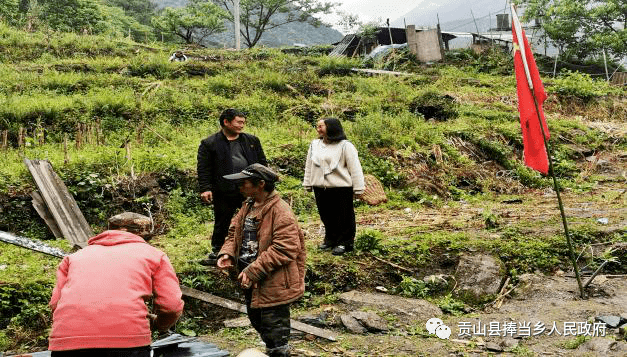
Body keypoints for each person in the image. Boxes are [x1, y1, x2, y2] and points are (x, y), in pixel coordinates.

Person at [48, 212, 184, 356]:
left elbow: (55, 304)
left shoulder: (74, 257)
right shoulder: (154, 255)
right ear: (144, 236)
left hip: (67, 343)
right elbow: (171, 306)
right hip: (127, 343)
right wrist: (160, 324)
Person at [216, 164, 306, 357]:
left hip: (273, 280)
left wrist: (253, 270)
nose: (239, 187)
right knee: (257, 321)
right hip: (250, 279)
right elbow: (234, 233)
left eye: (243, 183)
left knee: (275, 331)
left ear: (261, 184)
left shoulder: (281, 211)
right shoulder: (248, 206)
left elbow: (285, 248)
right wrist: (227, 254)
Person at [197, 108, 267, 265]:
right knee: (222, 220)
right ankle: (219, 251)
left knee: (254, 218)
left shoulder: (251, 141)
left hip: (250, 188)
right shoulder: (210, 143)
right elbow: (204, 168)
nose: (242, 125)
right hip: (224, 189)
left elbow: (262, 163)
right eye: (238, 122)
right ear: (226, 122)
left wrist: (263, 182)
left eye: (243, 122)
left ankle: (255, 249)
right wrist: (205, 187)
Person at [303, 118, 365, 256]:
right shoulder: (314, 145)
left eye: (321, 126)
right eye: (317, 126)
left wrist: (359, 188)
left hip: (341, 188)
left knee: (344, 216)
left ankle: (345, 242)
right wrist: (307, 182)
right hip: (320, 188)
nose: (318, 129)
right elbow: (309, 165)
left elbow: (355, 168)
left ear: (331, 127)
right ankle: (330, 240)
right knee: (326, 215)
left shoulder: (345, 146)